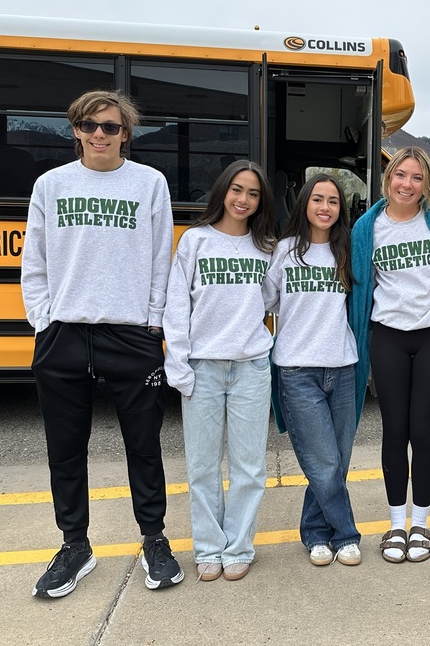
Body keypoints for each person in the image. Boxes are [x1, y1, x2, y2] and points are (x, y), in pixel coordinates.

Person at [22, 89, 182, 598]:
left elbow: (161, 258)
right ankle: (75, 546)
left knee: (144, 445)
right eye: (90, 125)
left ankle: (154, 538)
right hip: (64, 331)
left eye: (110, 127)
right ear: (75, 130)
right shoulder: (51, 185)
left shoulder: (149, 183)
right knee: (65, 451)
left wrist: (153, 322)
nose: (99, 134)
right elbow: (36, 260)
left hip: (129, 333)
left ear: (125, 134)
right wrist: (43, 322)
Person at [349, 146, 430, 563]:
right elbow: (360, 286)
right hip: (388, 337)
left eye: (417, 177)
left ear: (427, 182)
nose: (408, 184)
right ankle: (396, 525)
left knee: (424, 430)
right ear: (389, 178)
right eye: (401, 175)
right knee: (394, 431)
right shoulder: (368, 228)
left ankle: (421, 524)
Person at [163, 160, 276, 582]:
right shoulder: (195, 242)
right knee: (202, 466)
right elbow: (177, 307)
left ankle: (239, 547)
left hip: (250, 367)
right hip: (203, 368)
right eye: (237, 190)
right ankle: (209, 548)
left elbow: (271, 302)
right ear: (223, 192)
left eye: (253, 193)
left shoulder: (265, 247)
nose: (243, 200)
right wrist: (180, 365)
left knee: (249, 467)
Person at [263, 173, 362, 567]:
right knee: (322, 461)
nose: (325, 207)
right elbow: (267, 301)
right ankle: (345, 534)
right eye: (318, 199)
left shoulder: (346, 251)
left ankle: (315, 533)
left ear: (341, 210)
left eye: (333, 201)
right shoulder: (286, 251)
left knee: (337, 458)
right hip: (297, 369)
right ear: (304, 203)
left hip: (343, 367)